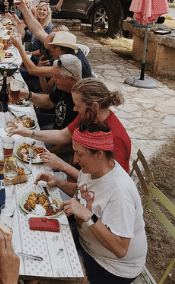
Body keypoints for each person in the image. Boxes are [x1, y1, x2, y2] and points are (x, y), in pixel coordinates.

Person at [35, 120, 146, 284]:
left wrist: (88, 216)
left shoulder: (120, 192)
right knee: (39, 242)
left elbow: (121, 249)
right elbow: (84, 192)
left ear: (99, 153)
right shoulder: (92, 168)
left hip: (110, 267)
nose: (74, 160)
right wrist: (59, 183)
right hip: (85, 241)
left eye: (79, 154)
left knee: (46, 275)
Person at [8, 78, 131, 176]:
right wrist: (28, 132)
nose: (74, 109)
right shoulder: (90, 115)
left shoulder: (115, 139)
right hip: (80, 175)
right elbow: (62, 135)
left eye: (78, 105)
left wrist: (62, 166)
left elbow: (103, 186)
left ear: (94, 106)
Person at [8, 54, 82, 158]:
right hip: (56, 133)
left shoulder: (81, 103)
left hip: (63, 151)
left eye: (57, 76)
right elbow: (48, 101)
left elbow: (71, 144)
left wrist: (44, 153)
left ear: (71, 79)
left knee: (15, 149)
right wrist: (28, 95)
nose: (53, 79)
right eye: (53, 75)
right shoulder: (64, 87)